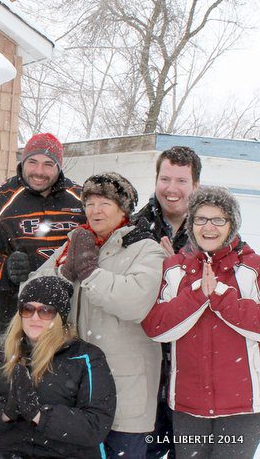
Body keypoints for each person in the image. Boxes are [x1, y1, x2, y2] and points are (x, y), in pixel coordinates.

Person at [23, 172, 166, 458]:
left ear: (124, 208)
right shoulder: (75, 245)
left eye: (105, 203)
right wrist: (62, 273)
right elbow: (30, 292)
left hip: (126, 388)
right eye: (89, 203)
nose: (95, 211)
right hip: (76, 392)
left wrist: (90, 273)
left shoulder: (146, 249)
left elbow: (136, 302)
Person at [142, 186, 260, 458]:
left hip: (242, 407)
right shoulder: (174, 268)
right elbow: (155, 327)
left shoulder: (253, 268)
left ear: (231, 224)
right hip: (188, 406)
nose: (209, 227)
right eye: (201, 219)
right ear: (191, 222)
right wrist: (197, 295)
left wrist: (221, 298)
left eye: (219, 219)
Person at [0, 276, 116, 458]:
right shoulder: (2, 355)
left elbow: (96, 425)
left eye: (46, 311)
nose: (35, 317)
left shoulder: (85, 357)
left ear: (60, 317)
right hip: (10, 453)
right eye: (28, 309)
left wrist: (38, 414)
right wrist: (6, 412)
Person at [132, 145, 201, 459]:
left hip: (193, 364)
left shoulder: (212, 229)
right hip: (142, 357)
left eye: (182, 181)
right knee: (140, 448)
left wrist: (179, 268)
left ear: (195, 185)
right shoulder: (133, 228)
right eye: (165, 179)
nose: (172, 189)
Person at [0, 132, 85, 340]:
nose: (39, 171)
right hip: (14, 316)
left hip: (66, 316)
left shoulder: (81, 198)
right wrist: (5, 270)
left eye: (48, 164)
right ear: (23, 161)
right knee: (13, 372)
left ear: (59, 167)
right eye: (33, 162)